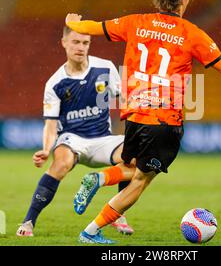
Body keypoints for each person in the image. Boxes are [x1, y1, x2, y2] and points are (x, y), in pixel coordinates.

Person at [66, 0, 221, 244]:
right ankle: (90, 230)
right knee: (142, 179)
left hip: (134, 114)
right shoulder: (191, 34)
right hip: (164, 119)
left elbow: (93, 28)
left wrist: (73, 23)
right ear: (185, 0)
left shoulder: (136, 22)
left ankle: (99, 184)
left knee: (132, 165)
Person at [16, 26, 135, 240]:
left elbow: (125, 100)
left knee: (135, 157)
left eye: (85, 43)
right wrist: (45, 149)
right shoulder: (55, 83)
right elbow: (51, 125)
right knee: (60, 164)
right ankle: (29, 220)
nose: (80, 47)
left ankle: (118, 214)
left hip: (103, 139)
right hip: (72, 139)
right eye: (75, 42)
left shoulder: (105, 68)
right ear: (64, 42)